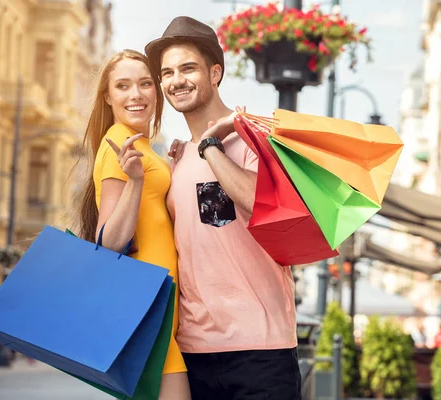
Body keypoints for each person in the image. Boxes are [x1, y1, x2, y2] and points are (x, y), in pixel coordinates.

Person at [145, 17, 301, 399]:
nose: (175, 80)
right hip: (194, 352)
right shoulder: (176, 160)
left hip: (261, 351)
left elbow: (262, 204)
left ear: (215, 73)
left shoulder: (255, 140)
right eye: (167, 72)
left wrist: (212, 147)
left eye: (187, 68)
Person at [75, 49, 190, 400]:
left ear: (156, 90)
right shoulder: (118, 145)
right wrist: (137, 181)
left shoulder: (143, 146)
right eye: (123, 86)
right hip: (147, 306)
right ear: (108, 96)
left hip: (160, 305)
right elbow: (108, 241)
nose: (136, 94)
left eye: (144, 84)